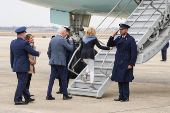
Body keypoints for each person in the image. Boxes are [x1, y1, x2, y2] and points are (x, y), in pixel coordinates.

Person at [107, 24, 137, 102]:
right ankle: (121, 96)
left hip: (126, 61)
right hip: (118, 60)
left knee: (125, 79)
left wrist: (131, 63)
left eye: (122, 29)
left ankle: (126, 97)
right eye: (120, 29)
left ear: (126, 30)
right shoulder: (119, 38)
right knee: (119, 79)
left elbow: (134, 52)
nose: (121, 31)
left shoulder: (130, 39)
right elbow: (109, 44)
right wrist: (112, 36)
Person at [10, 27, 41, 105]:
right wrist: (38, 52)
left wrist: (12, 65)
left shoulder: (13, 42)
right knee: (22, 83)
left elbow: (12, 55)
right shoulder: (24, 43)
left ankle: (27, 97)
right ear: (23, 34)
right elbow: (31, 52)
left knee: (22, 82)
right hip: (23, 66)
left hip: (16, 65)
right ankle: (17, 99)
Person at [46, 27, 73, 100]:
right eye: (65, 32)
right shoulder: (62, 40)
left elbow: (49, 52)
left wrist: (52, 59)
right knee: (63, 78)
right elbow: (70, 48)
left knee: (51, 79)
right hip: (61, 62)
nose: (66, 34)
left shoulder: (52, 39)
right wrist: (70, 41)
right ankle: (65, 95)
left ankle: (48, 95)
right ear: (63, 32)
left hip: (53, 62)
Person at [56, 27, 76, 94]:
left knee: (66, 75)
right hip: (60, 60)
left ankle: (65, 88)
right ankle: (61, 88)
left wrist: (70, 61)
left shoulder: (70, 39)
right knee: (59, 75)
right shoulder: (59, 39)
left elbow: (72, 51)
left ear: (66, 32)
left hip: (67, 60)